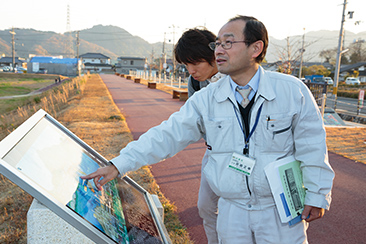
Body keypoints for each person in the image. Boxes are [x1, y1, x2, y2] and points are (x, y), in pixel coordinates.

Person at [82, 15, 334, 244]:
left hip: (278, 209)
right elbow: (167, 134)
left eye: (228, 43)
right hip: (231, 210)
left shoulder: (292, 90)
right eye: (217, 44)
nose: (219, 50)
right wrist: (119, 164)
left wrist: (318, 194)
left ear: (255, 48)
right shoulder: (206, 98)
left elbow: (312, 145)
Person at [174, 27, 225, 244]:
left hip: (243, 157)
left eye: (195, 63)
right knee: (205, 207)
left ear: (213, 56)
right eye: (186, 65)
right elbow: (196, 122)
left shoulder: (235, 79)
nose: (191, 70)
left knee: (239, 215)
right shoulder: (195, 83)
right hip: (214, 153)